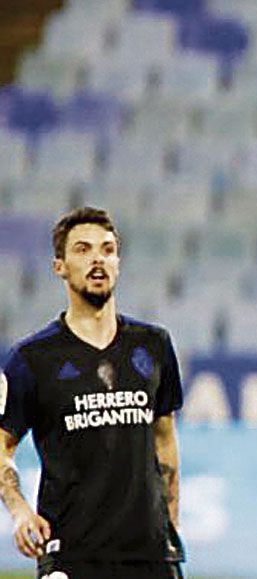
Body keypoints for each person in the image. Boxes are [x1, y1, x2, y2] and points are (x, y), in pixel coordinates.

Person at [0, 207, 185, 578]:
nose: (98, 258)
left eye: (108, 249)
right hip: (72, 554)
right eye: (83, 249)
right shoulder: (32, 359)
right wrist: (19, 510)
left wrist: (170, 530)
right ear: (60, 267)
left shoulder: (154, 345)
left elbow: (165, 446)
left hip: (149, 556)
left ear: (118, 261)